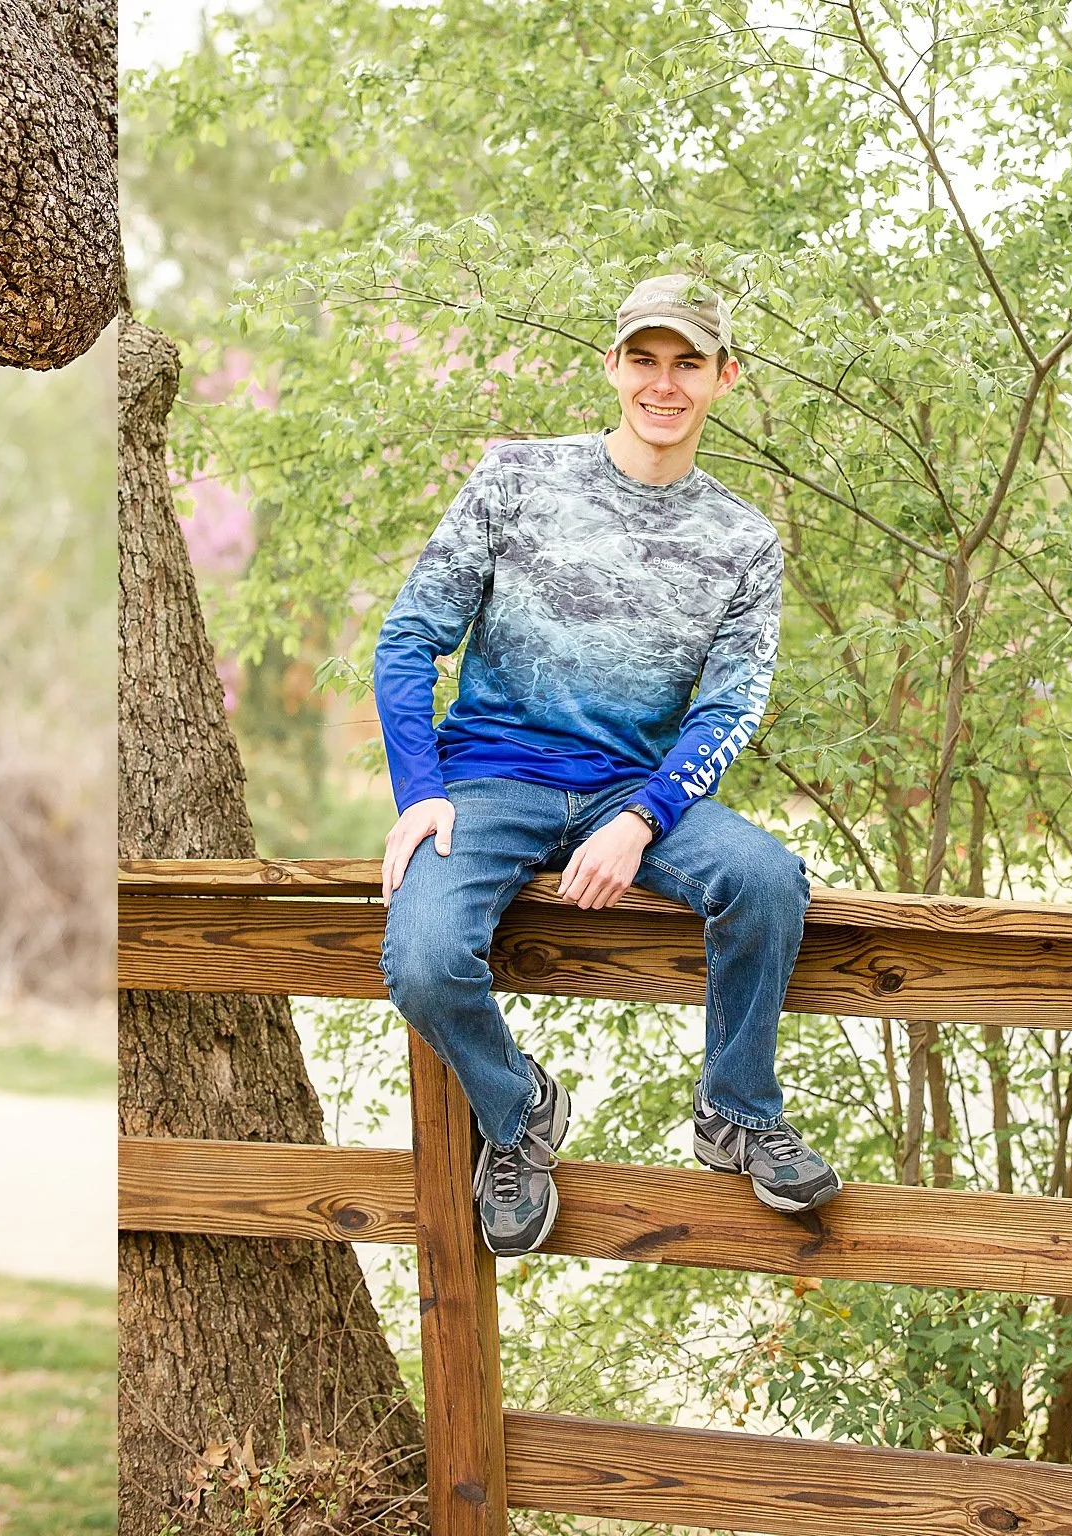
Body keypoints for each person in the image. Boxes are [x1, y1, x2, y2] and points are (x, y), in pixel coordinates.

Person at [373, 273, 842, 1259]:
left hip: (633, 790)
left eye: (686, 364)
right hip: (487, 781)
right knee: (420, 959)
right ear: (611, 366)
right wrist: (417, 793)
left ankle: (735, 1111)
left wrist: (641, 819)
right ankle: (516, 1113)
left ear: (724, 378)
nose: (661, 384)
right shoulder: (515, 479)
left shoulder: (742, 541)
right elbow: (408, 638)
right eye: (642, 359)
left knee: (764, 879)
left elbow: (729, 705)